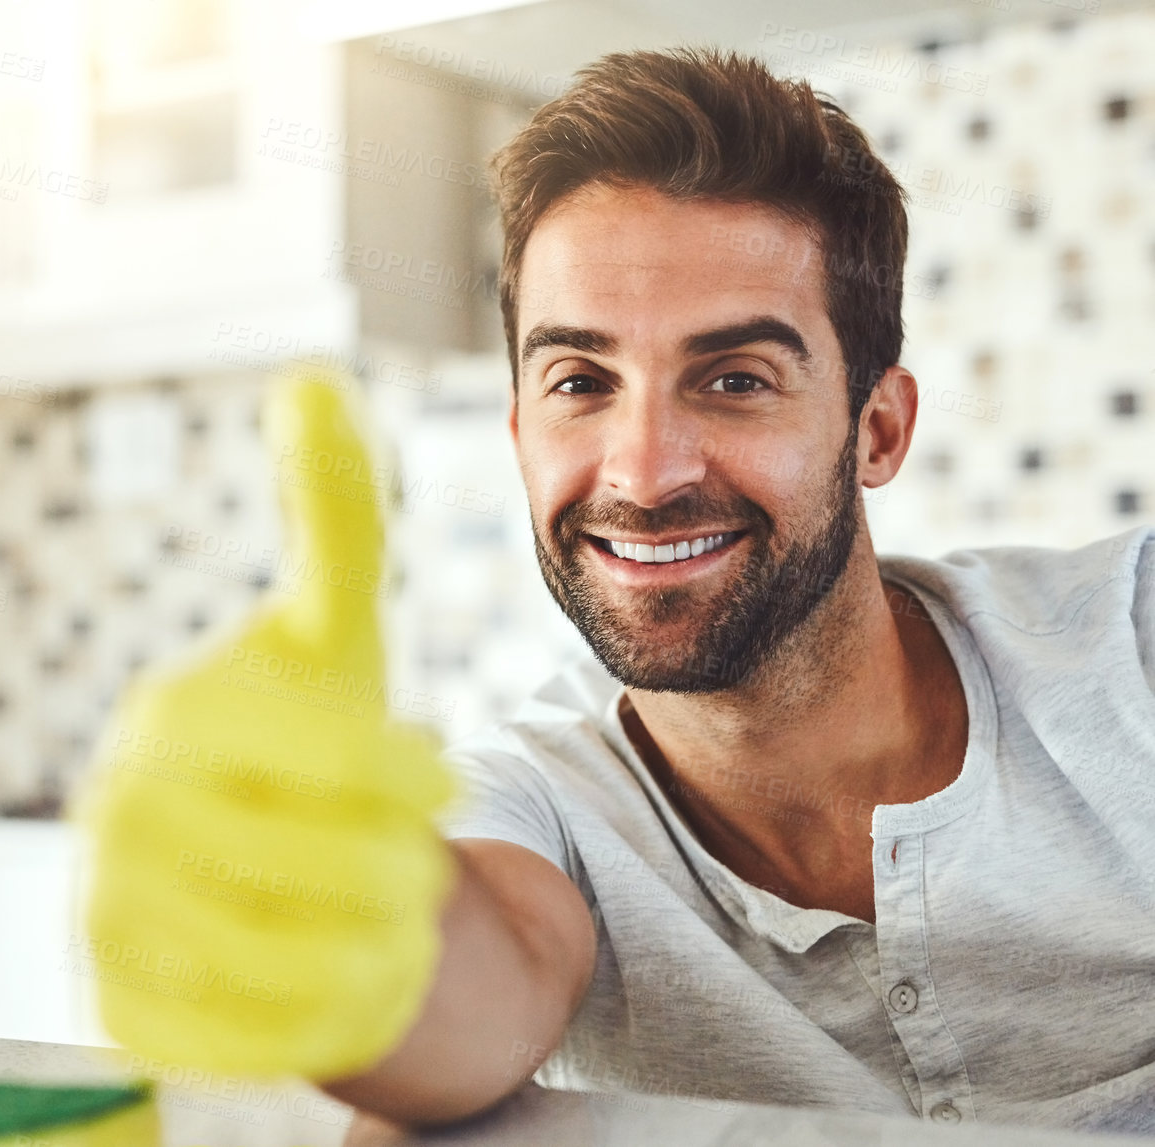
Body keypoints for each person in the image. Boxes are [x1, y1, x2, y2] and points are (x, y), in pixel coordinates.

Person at [319, 47, 1155, 1134]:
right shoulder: (533, 805)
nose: (642, 470)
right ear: (521, 431)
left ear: (877, 428)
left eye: (732, 380)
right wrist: (321, 923)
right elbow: (459, 1007)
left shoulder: (1125, 651)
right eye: (579, 381)